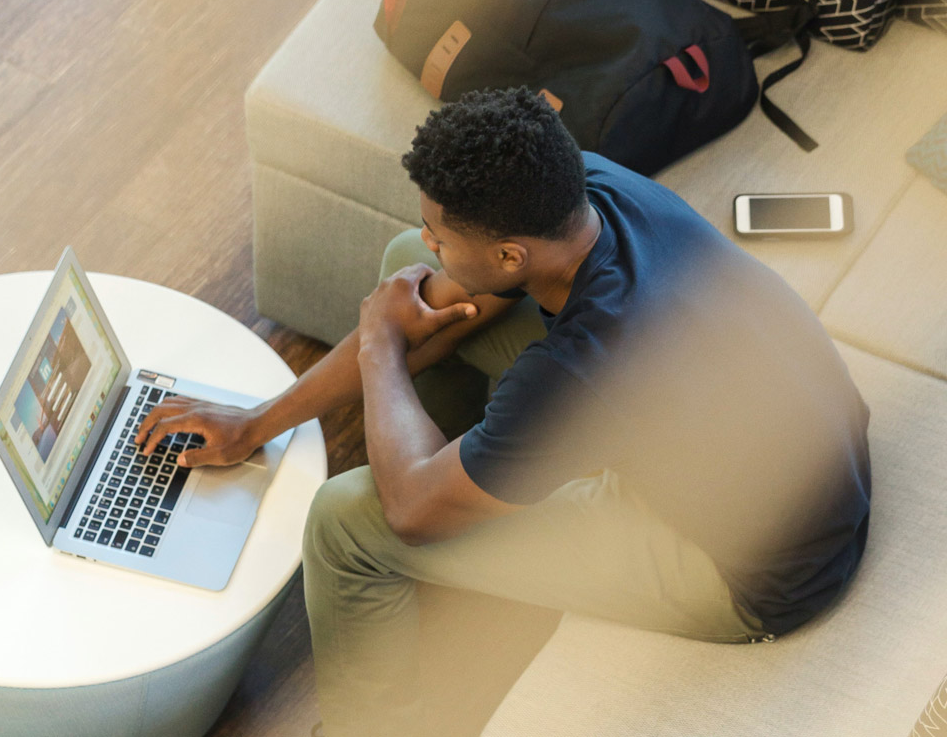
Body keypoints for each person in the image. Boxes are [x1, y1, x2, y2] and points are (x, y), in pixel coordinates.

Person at [137, 86, 871, 737]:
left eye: (442, 235)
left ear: (514, 257)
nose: (430, 240)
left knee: (345, 520)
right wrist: (257, 422)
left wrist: (379, 351)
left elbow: (408, 513)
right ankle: (467, 490)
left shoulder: (587, 362)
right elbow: (438, 301)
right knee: (415, 275)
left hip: (747, 572)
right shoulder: (590, 190)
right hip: (796, 453)